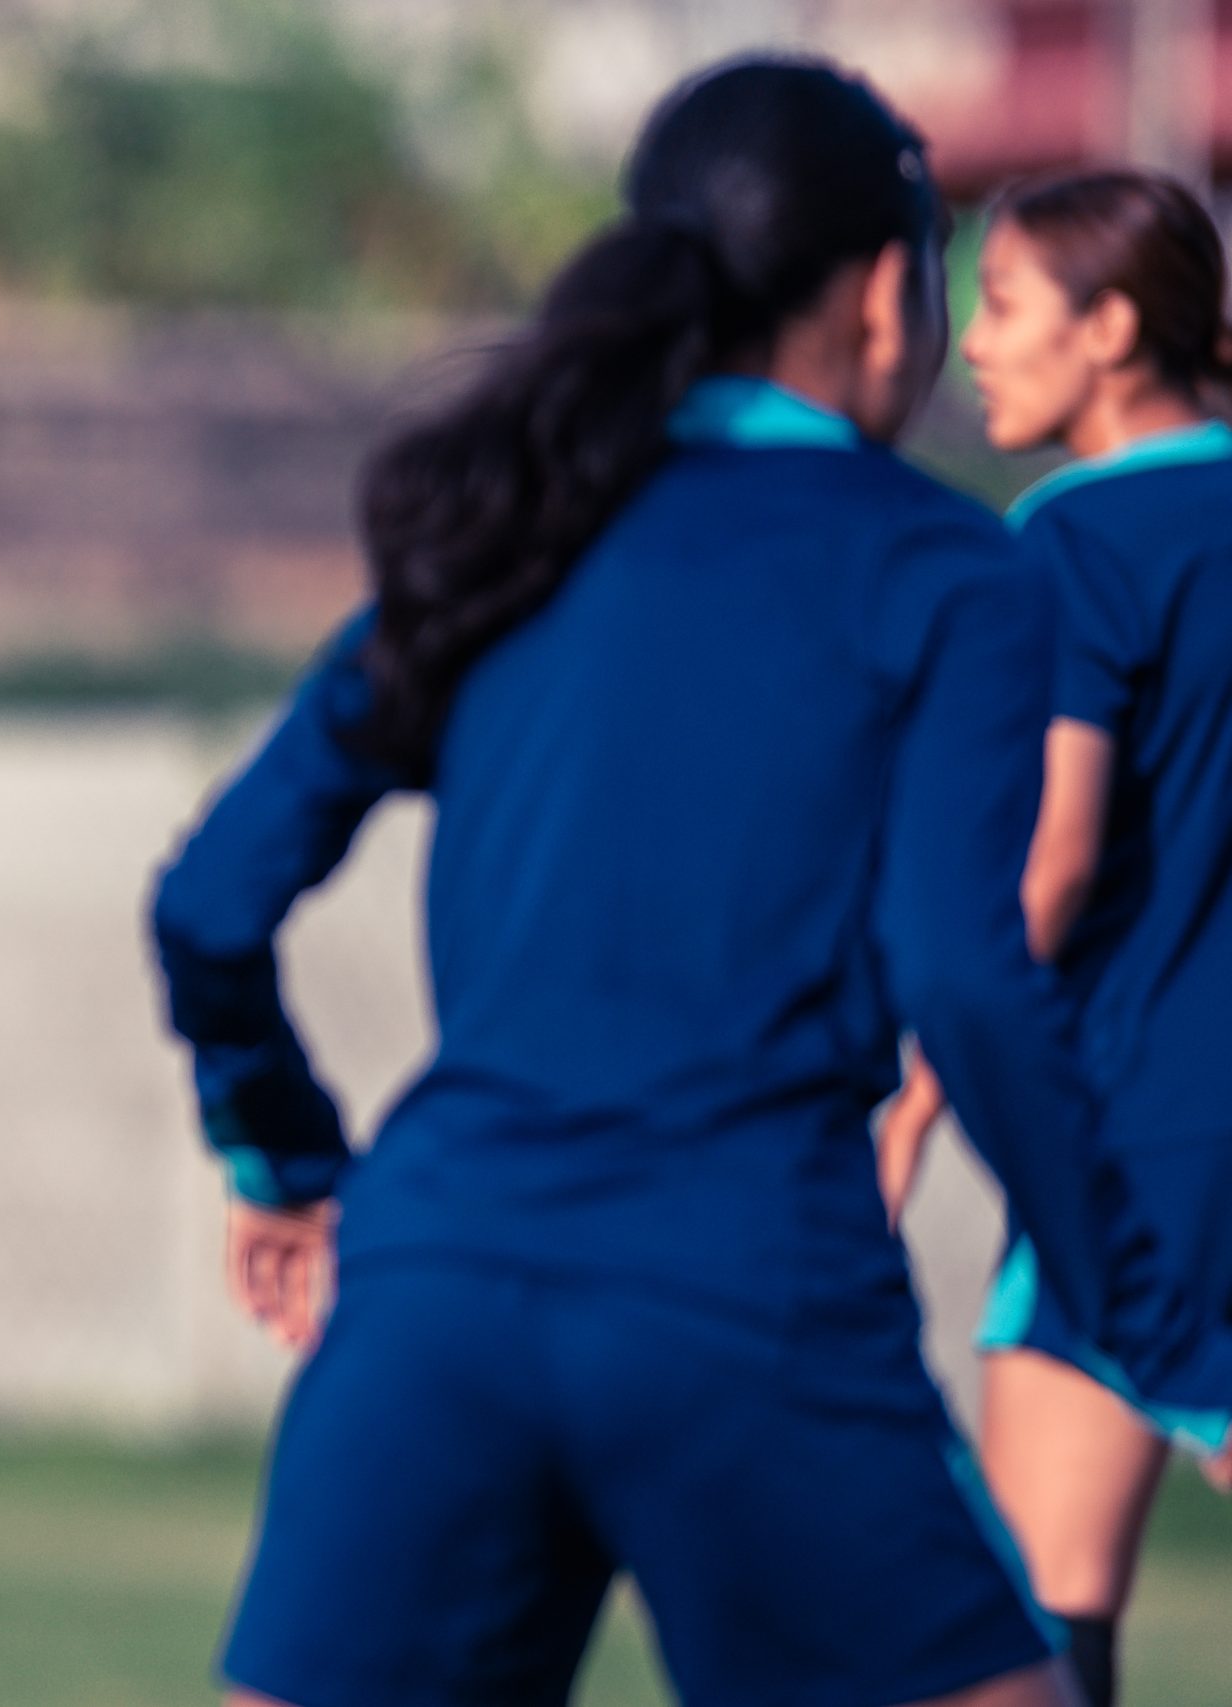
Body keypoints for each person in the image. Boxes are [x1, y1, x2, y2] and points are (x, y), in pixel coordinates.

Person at [149, 57, 1232, 1707]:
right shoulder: (943, 565)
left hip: (434, 1284)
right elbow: (963, 972)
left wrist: (281, 1145)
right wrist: (1155, 1329)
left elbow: (209, 902)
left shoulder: (500, 528)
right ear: (882, 296)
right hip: (749, 1290)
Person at [879, 168, 1232, 1707]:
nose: (971, 340)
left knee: (1045, 1625)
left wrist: (914, 1092)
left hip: (1138, 1138)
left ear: (1112, 327)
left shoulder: (1074, 537)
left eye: (1006, 303)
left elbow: (1050, 862)